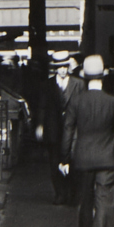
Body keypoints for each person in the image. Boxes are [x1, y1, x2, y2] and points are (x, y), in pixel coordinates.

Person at [60, 54, 114, 227]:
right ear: (104, 76)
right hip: (107, 159)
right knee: (105, 200)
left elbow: (67, 131)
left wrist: (64, 159)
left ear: (84, 76)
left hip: (81, 159)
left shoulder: (76, 101)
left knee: (85, 199)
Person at [37, 55, 80, 205]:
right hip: (53, 129)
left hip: (73, 130)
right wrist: (40, 126)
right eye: (59, 67)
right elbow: (42, 107)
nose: (62, 70)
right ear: (55, 68)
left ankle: (72, 194)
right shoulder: (47, 85)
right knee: (55, 163)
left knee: (73, 163)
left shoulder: (78, 84)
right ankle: (60, 194)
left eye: (64, 67)